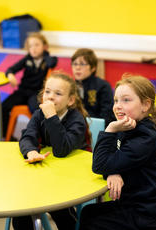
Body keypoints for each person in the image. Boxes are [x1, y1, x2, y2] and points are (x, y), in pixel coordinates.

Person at [79, 74, 156, 230]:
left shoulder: (144, 137)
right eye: (116, 100)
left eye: (126, 100)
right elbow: (110, 156)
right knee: (88, 213)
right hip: (138, 202)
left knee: (91, 219)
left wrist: (110, 129)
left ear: (145, 105)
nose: (118, 105)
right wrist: (113, 172)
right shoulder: (129, 125)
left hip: (150, 215)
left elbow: (99, 164)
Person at [13, 72, 91, 230]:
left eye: (58, 93)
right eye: (47, 92)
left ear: (70, 100)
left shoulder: (77, 120)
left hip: (72, 176)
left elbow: (62, 149)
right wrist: (31, 152)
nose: (50, 97)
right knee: (21, 211)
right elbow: (27, 137)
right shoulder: (38, 114)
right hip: (48, 173)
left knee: (61, 212)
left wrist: (51, 117)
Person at [2, 32, 57, 138]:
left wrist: (45, 54)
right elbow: (11, 69)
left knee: (36, 110)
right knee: (4, 106)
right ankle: (7, 136)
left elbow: (52, 63)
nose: (33, 48)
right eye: (30, 46)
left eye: (37, 45)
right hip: (23, 91)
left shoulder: (48, 60)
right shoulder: (27, 59)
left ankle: (38, 137)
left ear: (44, 46)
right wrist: (10, 75)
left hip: (36, 93)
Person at [71, 48, 114, 126]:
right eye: (75, 64)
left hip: (95, 126)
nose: (77, 68)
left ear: (93, 68)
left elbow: (106, 116)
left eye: (82, 64)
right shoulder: (70, 86)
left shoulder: (103, 86)